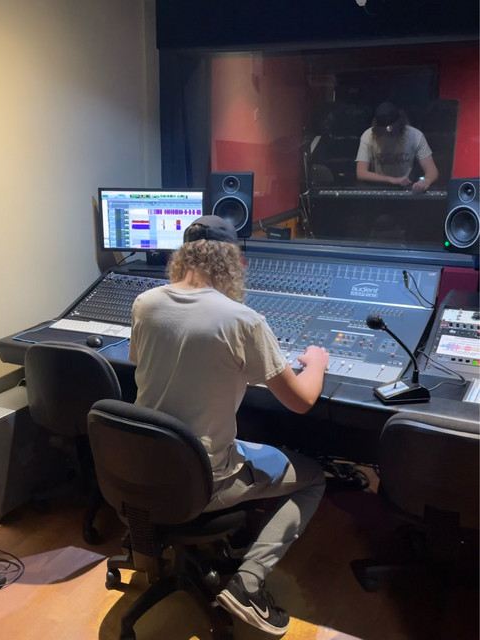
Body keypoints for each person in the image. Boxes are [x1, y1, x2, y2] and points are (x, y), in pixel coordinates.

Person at [129, 215, 329, 636]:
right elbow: (302, 401)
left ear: (181, 257)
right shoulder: (243, 321)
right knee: (313, 477)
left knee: (249, 441)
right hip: (205, 479)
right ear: (234, 261)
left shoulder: (144, 303)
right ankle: (248, 583)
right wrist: (317, 362)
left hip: (143, 469)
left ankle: (230, 545)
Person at [356, 101, 439, 193]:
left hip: (406, 189)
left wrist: (426, 181)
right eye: (384, 129)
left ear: (400, 123)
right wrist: (392, 180)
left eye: (391, 128)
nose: (388, 132)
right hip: (378, 189)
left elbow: (432, 171)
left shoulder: (415, 135)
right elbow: (361, 173)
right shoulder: (368, 136)